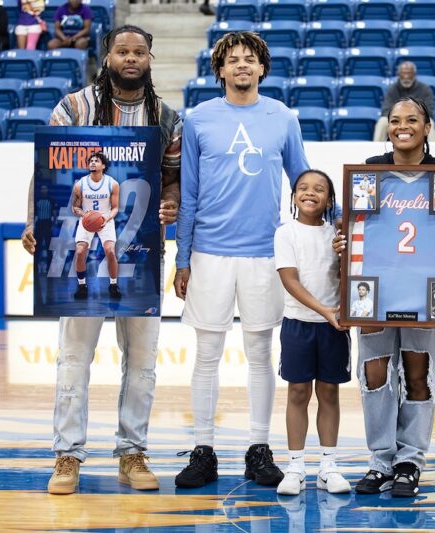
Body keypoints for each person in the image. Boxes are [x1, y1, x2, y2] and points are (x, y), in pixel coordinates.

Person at [20, 24, 182, 495]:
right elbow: (45, 169)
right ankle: (67, 455)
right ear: (107, 56)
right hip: (78, 244)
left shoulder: (167, 117)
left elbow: (171, 179)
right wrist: (35, 220)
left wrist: (169, 203)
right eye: (122, 50)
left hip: (143, 251)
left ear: (150, 58)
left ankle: (133, 452)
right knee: (73, 357)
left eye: (139, 52)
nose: (130, 58)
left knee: (143, 361)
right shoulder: (73, 107)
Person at [173, 31, 309, 489]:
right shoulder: (198, 120)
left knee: (258, 354)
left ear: (262, 67)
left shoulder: (283, 117)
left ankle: (258, 448)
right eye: (232, 60)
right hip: (208, 253)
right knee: (207, 354)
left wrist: (312, 242)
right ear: (220, 71)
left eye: (249, 59)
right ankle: (203, 449)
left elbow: (303, 183)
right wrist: (182, 257)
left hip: (262, 254)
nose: (242, 66)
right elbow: (188, 193)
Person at [336, 97, 435, 498]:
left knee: (419, 377)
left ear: (427, 127)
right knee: (374, 374)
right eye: (396, 120)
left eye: (412, 119)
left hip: (428, 292)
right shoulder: (370, 173)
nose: (403, 126)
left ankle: (409, 462)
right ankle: (380, 461)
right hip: (374, 291)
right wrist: (343, 242)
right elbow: (351, 227)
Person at [273, 169, 352, 496]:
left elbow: (349, 275)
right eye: (303, 188)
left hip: (334, 328)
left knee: (330, 394)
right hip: (300, 324)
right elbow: (290, 280)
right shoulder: (285, 233)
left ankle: (328, 466)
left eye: (319, 188)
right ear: (293, 197)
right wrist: (324, 311)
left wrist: (344, 253)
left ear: (329, 199)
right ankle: (295, 466)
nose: (310, 192)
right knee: (298, 393)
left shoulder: (337, 234)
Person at [70, 152, 121, 300]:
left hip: (105, 218)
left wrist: (106, 218)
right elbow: (75, 207)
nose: (92, 162)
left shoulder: (113, 183)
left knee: (110, 251)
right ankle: (81, 286)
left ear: (103, 166)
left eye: (96, 161)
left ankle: (113, 285)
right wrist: (83, 215)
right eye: (90, 161)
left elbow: (115, 207)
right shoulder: (80, 184)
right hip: (87, 220)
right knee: (80, 252)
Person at [373, 62, 435, 142]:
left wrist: (412, 116)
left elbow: (429, 110)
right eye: (403, 73)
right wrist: (399, 117)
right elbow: (385, 110)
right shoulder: (392, 89)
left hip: (416, 118)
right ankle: (376, 150)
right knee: (382, 122)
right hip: (397, 119)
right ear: (399, 74)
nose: (406, 76)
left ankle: (433, 152)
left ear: (414, 74)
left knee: (430, 122)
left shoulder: (425, 89)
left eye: (409, 73)